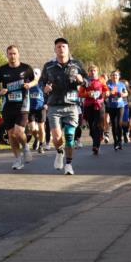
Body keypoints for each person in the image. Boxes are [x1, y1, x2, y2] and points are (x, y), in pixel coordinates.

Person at [38, 38, 86, 175]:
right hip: (54, 106)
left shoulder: (77, 65)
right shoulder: (49, 66)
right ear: (55, 50)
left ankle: (69, 165)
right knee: (57, 138)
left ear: (68, 49)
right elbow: (41, 82)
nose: (61, 49)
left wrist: (83, 81)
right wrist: (44, 88)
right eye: (58, 47)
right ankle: (59, 151)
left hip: (71, 106)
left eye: (63, 46)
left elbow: (87, 81)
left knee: (70, 136)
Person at [0, 45, 37, 170]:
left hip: (23, 104)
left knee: (18, 132)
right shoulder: (1, 70)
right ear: (7, 55)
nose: (12, 56)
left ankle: (26, 147)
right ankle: (17, 159)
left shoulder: (26, 68)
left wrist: (29, 84)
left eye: (14, 53)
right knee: (11, 134)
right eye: (10, 54)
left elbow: (35, 81)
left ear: (18, 54)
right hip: (7, 105)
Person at [79, 64, 108, 155]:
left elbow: (106, 90)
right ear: (88, 72)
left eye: (94, 71)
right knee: (91, 127)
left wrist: (106, 93)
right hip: (89, 105)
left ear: (97, 72)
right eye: (91, 71)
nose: (93, 72)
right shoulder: (85, 82)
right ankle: (98, 137)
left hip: (99, 105)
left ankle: (96, 146)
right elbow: (80, 94)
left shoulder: (101, 80)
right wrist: (88, 94)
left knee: (98, 125)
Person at [105, 70, 128, 151]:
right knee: (114, 125)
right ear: (111, 77)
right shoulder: (108, 85)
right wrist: (109, 93)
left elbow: (126, 93)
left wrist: (122, 94)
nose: (115, 77)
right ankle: (115, 142)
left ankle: (120, 141)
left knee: (119, 124)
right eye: (113, 75)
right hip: (111, 107)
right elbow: (105, 94)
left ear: (119, 76)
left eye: (116, 75)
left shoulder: (122, 84)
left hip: (120, 106)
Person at [27, 78, 47, 154]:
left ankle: (41, 146)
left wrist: (46, 103)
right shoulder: (28, 83)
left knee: (41, 128)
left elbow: (48, 93)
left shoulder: (42, 83)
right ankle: (37, 139)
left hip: (41, 108)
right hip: (30, 108)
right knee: (32, 128)